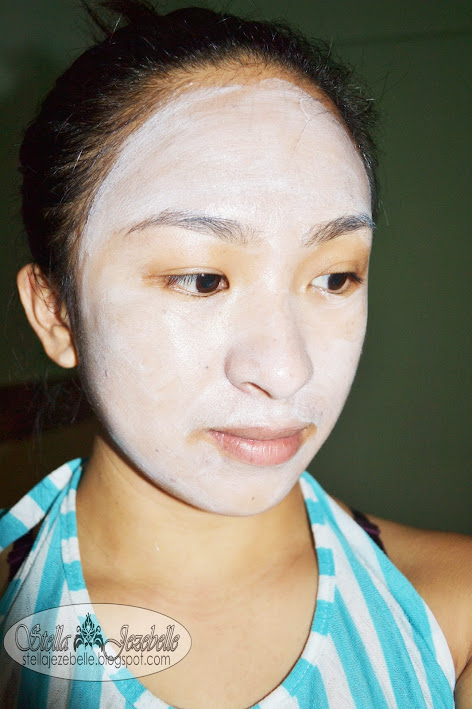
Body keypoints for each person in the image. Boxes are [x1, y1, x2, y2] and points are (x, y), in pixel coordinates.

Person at [0, 1, 470, 706]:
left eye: (335, 278)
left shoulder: (453, 615)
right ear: (56, 314)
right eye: (201, 279)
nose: (287, 370)